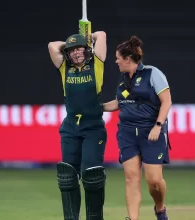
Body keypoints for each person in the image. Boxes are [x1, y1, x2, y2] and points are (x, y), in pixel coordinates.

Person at [103, 36, 172, 220]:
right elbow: (120, 102)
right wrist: (98, 106)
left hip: (151, 132)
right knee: (131, 178)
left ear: (127, 59)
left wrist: (158, 126)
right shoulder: (123, 78)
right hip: (127, 133)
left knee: (154, 182)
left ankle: (160, 209)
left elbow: (166, 102)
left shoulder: (153, 73)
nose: (116, 61)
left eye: (118, 58)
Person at [48, 31, 107, 220]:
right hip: (71, 127)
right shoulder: (65, 67)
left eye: (79, 48)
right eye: (72, 50)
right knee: (67, 176)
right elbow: (52, 45)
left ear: (87, 49)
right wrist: (72, 42)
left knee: (92, 176)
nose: (76, 53)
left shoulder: (96, 64)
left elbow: (102, 35)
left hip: (93, 127)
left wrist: (87, 36)